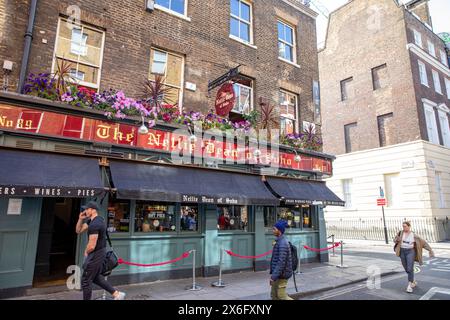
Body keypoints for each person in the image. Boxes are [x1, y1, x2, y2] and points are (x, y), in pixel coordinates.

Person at [75, 202, 126, 300]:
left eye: (87, 209)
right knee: (94, 277)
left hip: (96, 254)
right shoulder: (94, 220)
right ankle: (117, 294)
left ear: (92, 210)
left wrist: (86, 251)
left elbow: (92, 245)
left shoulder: (95, 224)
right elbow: (78, 230)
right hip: (99, 252)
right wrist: (80, 219)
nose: (85, 211)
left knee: (86, 280)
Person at [394, 221, 435, 293]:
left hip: (410, 252)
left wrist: (430, 250)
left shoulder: (414, 235)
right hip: (402, 252)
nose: (404, 227)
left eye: (405, 226)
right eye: (403, 226)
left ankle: (409, 285)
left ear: (409, 227)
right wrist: (396, 240)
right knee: (406, 269)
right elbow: (394, 240)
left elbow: (424, 243)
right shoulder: (400, 233)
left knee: (410, 268)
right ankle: (413, 280)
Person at [269, 220, 293, 300]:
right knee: (274, 295)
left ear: (279, 231)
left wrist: (273, 277)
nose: (273, 230)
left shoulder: (283, 243)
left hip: (282, 274)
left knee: (281, 296)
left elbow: (281, 262)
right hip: (278, 274)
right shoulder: (279, 241)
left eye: (274, 229)